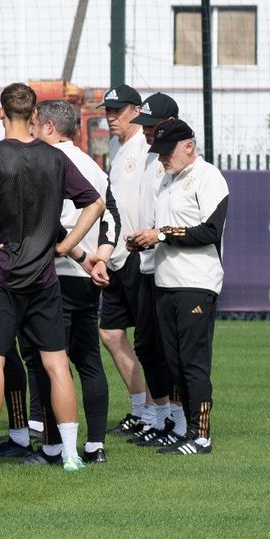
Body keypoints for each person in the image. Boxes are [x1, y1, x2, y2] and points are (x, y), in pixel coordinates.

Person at [0, 83, 106, 474]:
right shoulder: (55, 157)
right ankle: (70, 454)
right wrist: (67, 246)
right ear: (34, 115)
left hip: (0, 277)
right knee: (57, 364)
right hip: (44, 279)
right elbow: (95, 203)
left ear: (1, 113)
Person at [142, 117, 227, 456]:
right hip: (165, 281)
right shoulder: (167, 179)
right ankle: (182, 429)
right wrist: (145, 239)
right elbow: (165, 227)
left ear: (189, 146)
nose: (162, 157)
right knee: (173, 362)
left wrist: (162, 235)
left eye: (168, 150)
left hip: (196, 281)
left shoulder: (208, 177)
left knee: (193, 363)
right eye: (159, 151)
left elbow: (210, 230)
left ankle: (201, 435)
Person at [36, 99, 112, 464]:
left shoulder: (48, 162)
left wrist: (74, 251)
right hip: (87, 277)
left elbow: (49, 220)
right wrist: (99, 257)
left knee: (51, 364)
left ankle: (53, 446)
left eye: (35, 125)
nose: (32, 132)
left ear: (49, 127)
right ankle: (96, 445)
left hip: (56, 274)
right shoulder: (94, 167)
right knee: (89, 361)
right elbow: (110, 216)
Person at [125, 92, 185, 446]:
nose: (146, 131)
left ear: (170, 123)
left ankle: (179, 421)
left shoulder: (180, 163)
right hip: (146, 262)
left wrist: (155, 235)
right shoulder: (151, 158)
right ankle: (162, 418)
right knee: (147, 346)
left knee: (169, 350)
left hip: (172, 267)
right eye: (144, 124)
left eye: (152, 124)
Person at [95, 85, 155, 437]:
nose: (110, 117)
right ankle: (140, 409)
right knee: (110, 332)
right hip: (117, 254)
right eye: (107, 111)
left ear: (136, 110)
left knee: (148, 340)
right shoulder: (116, 146)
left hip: (138, 254)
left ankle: (160, 414)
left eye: (117, 110)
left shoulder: (147, 146)